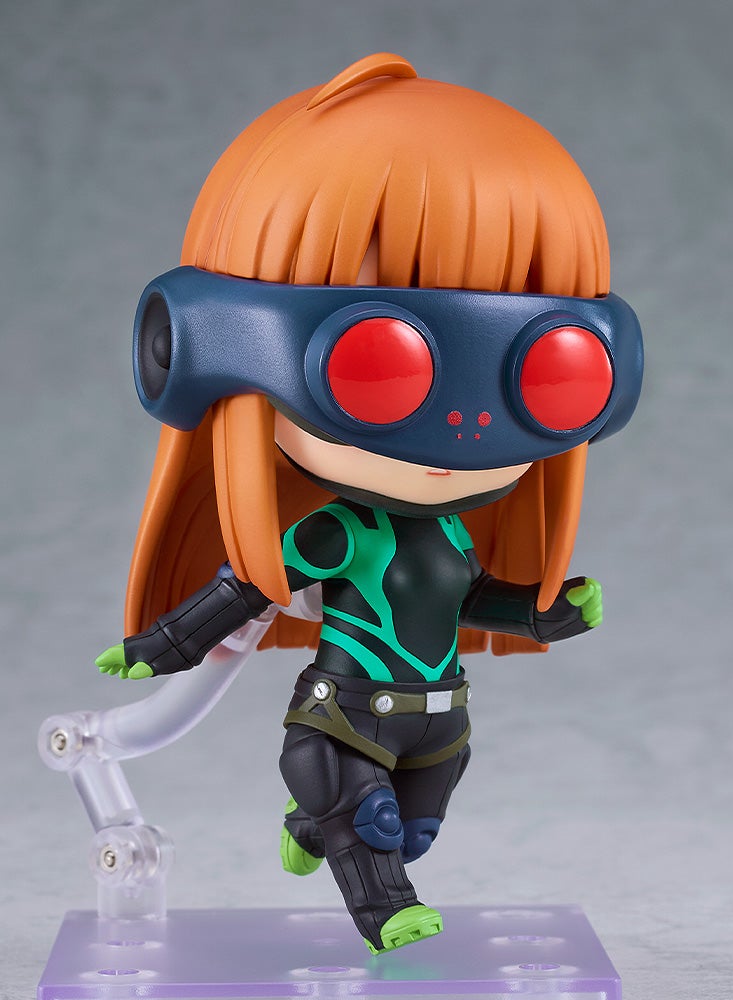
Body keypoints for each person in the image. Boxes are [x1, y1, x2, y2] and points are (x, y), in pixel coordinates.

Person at [97, 53, 642, 954]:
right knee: (375, 827)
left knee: (416, 826)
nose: (465, 425)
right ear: (196, 349)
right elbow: (247, 586)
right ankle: (382, 908)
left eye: (554, 375)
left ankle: (310, 827)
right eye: (379, 367)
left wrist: (543, 614)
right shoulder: (337, 533)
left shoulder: (455, 532)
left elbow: (469, 598)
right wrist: (162, 646)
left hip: (441, 717)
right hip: (342, 717)